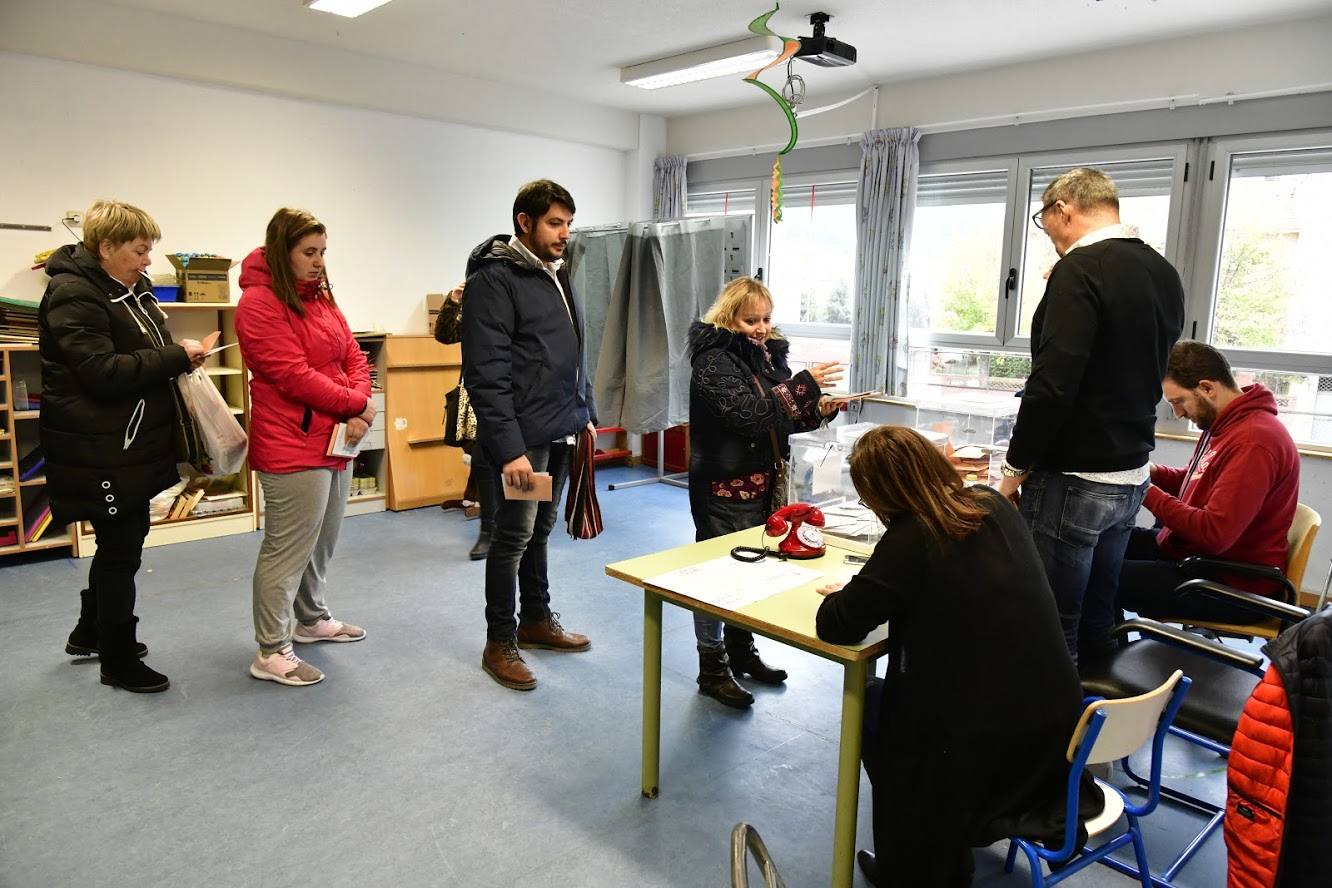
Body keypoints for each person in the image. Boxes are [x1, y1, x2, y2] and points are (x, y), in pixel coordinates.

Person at [816, 426, 1097, 886]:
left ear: (882, 495)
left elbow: (838, 625)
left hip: (986, 753)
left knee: (873, 712)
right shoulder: (991, 504)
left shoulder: (911, 536)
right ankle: (931, 850)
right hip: (1055, 735)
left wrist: (848, 592)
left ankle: (912, 867)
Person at [996, 167, 1185, 668]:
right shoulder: (1162, 271)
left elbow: (1053, 385)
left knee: (1050, 622)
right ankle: (1102, 729)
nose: (1050, 235)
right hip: (1130, 474)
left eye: (1045, 221)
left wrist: (1014, 472)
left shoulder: (1080, 270)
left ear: (1063, 210)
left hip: (1073, 479)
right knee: (1101, 613)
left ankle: (1050, 739)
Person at [39, 200, 207, 693]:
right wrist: (177, 356)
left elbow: (146, 353)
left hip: (128, 439)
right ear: (106, 246)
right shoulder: (74, 294)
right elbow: (100, 371)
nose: (147, 260)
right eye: (139, 250)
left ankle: (90, 631)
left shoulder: (129, 290)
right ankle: (116, 657)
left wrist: (179, 356)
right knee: (120, 547)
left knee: (124, 541)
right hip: (99, 443)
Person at [462, 180, 596, 691]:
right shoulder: (496, 280)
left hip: (559, 430)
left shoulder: (554, 274)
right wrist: (512, 451)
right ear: (525, 222)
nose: (565, 234)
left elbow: (569, 355)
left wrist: (584, 410)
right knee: (513, 536)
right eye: (555, 223)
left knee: (540, 531)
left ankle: (536, 620)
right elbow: (487, 374)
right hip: (525, 442)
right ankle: (500, 641)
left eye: (568, 224)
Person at [687, 277, 842, 708]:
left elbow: (781, 418)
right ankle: (711, 667)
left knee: (752, 573)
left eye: (767, 319)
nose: (760, 327)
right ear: (727, 317)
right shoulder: (713, 361)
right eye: (750, 319)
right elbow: (751, 417)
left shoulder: (769, 358)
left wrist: (817, 411)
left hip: (764, 485)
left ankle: (740, 652)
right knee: (718, 580)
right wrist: (804, 387)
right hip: (723, 488)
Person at [236, 208, 371, 687]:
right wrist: (358, 403)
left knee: (323, 539)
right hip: (292, 444)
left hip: (335, 438)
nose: (318, 263)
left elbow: (352, 354)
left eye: (322, 253)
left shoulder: (319, 298)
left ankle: (310, 620)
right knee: (287, 549)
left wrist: (359, 405)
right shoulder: (258, 304)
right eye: (308, 253)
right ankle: (271, 651)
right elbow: (292, 375)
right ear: (281, 252)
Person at [1116, 340, 1300, 626]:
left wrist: (1143, 489)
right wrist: (1150, 471)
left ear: (1207, 388)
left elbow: (1214, 533)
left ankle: (1097, 657)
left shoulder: (1255, 441)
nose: (1177, 413)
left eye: (1178, 402)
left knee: (1098, 575)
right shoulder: (1225, 423)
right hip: (1196, 557)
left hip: (1231, 583)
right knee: (1102, 547)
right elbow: (1193, 481)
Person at [434, 279, 495, 560]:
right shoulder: (477, 316)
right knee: (480, 456)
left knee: (519, 461)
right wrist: (454, 300)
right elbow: (445, 335)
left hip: (515, 397)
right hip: (475, 396)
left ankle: (522, 523)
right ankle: (488, 528)